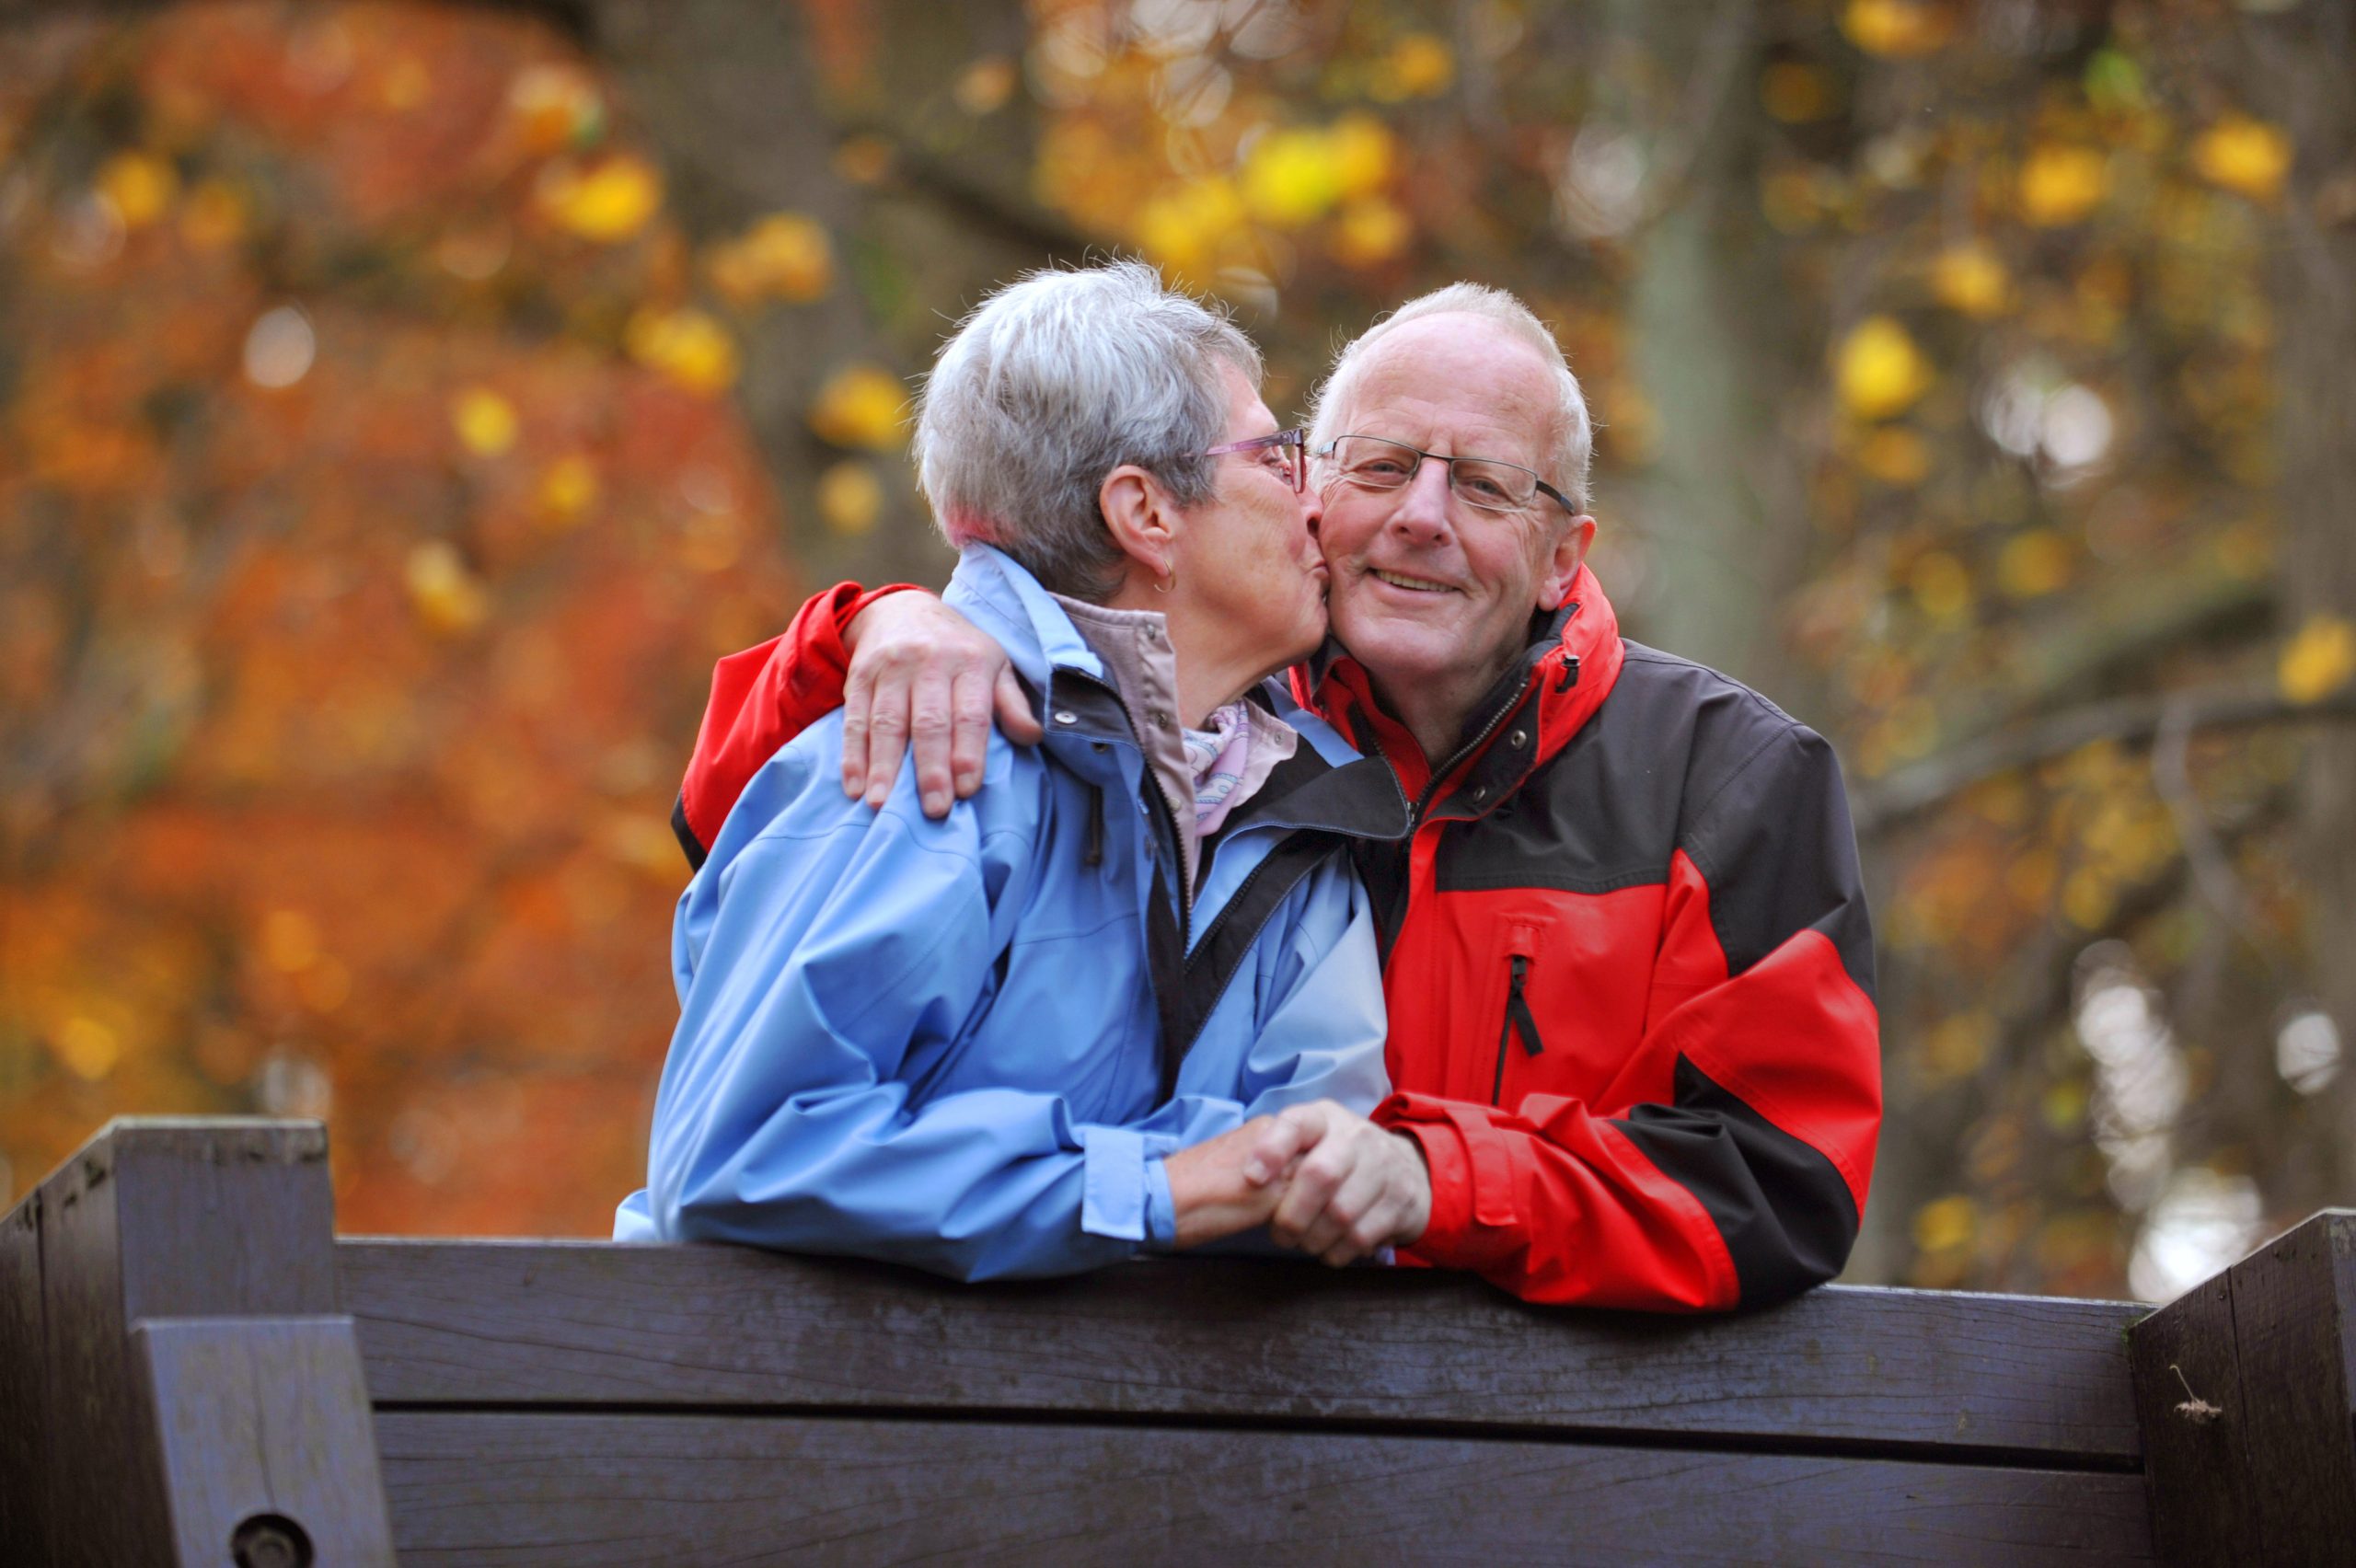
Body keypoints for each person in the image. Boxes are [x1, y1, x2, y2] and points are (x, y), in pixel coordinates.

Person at [676, 282, 1882, 1311]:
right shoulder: (1211, 733)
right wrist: (866, 629)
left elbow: (1779, 1185)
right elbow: (747, 826)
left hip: (1572, 1466)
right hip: (1158, 1446)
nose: (1419, 517)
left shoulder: (1730, 780)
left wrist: (1436, 1182)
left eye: (1484, 488)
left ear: (1567, 552)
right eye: (1378, 466)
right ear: (1315, 495)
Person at [617, 262, 1411, 1281]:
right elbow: (739, 1157)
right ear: (1147, 514)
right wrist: (1158, 1189)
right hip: (808, 1427)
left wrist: (1348, 1178)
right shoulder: (926, 748)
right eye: (1275, 458)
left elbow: (1302, 1166)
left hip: (1125, 1428)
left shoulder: (1298, 809)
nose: (1316, 508)